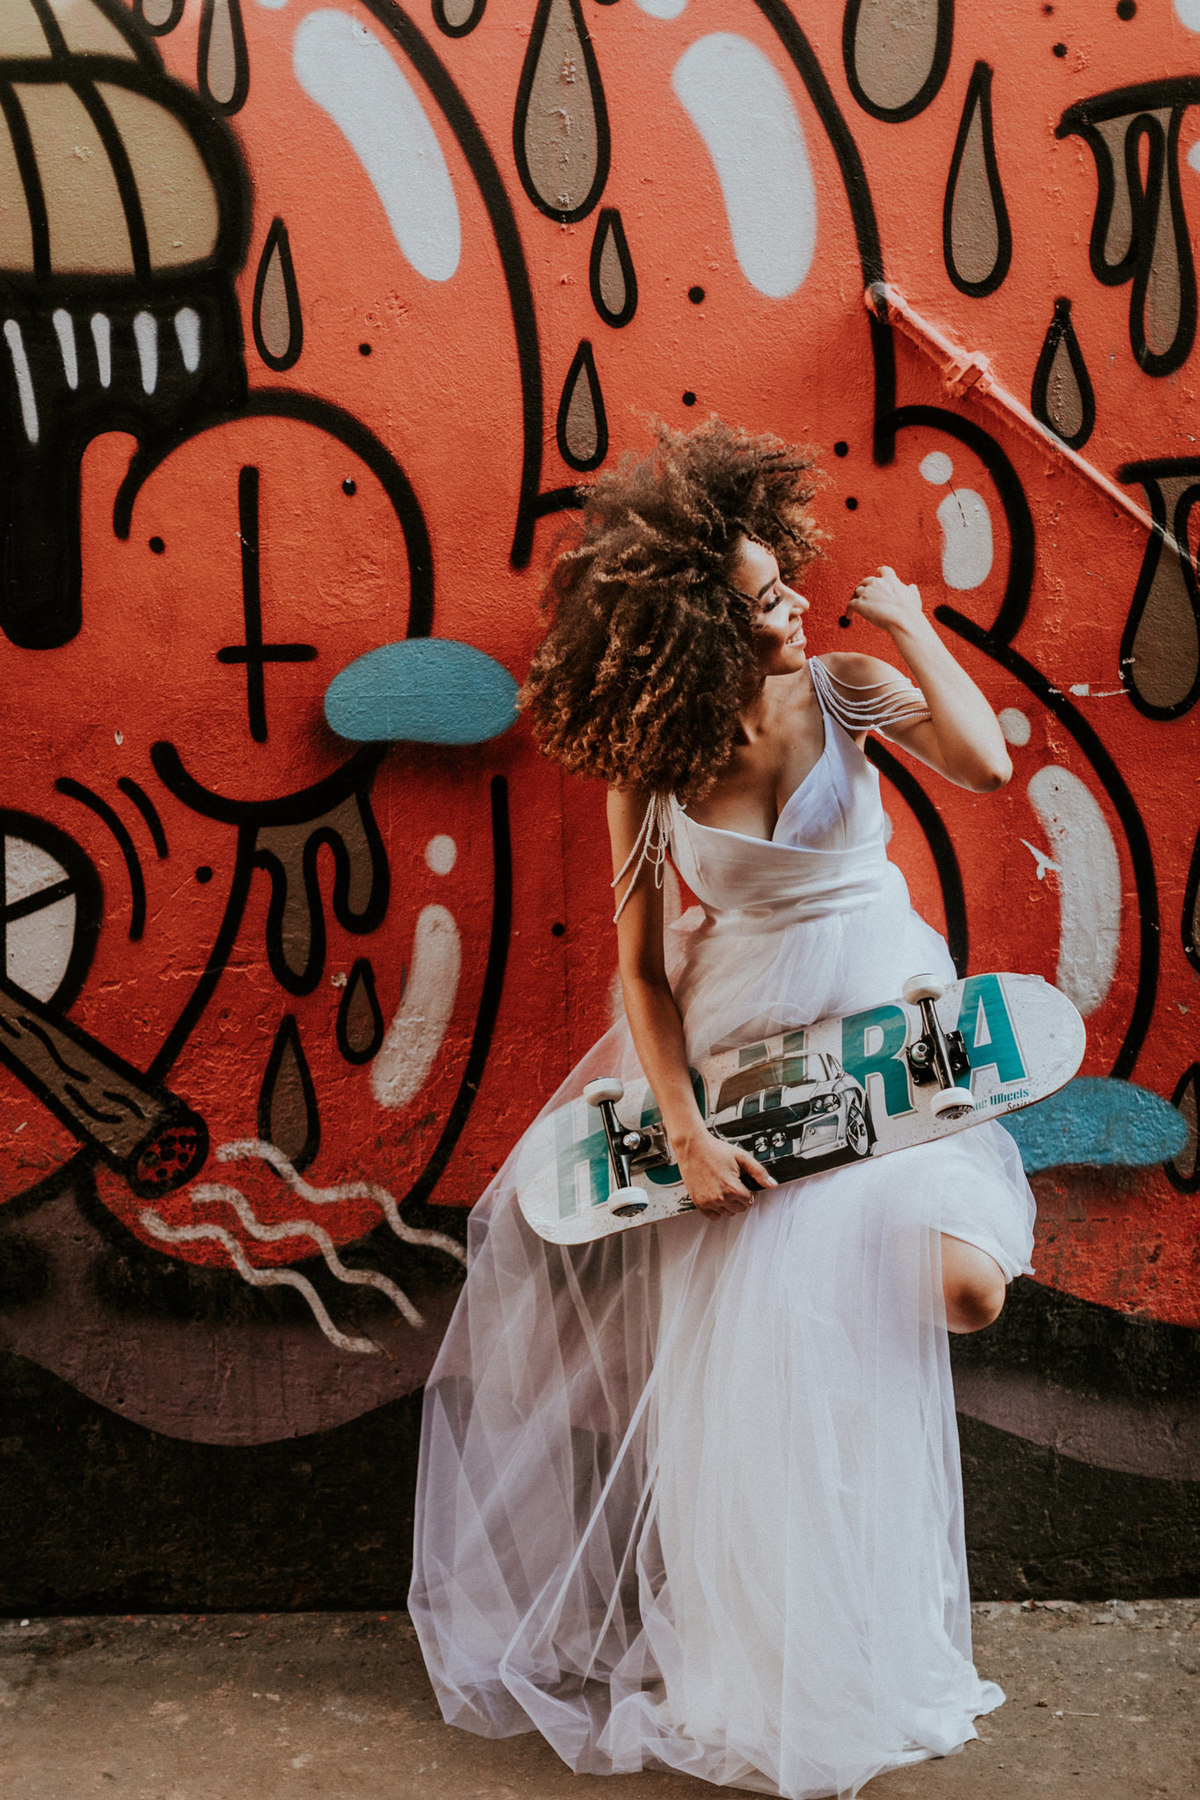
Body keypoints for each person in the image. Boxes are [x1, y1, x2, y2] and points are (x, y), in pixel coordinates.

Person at [409, 419, 1035, 1800]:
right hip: (748, 1070)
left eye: (785, 583)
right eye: (763, 597)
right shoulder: (652, 753)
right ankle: (781, 1668)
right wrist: (685, 1129)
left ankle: (868, 1629)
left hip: (884, 1045)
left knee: (961, 1293)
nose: (793, 604)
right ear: (698, 626)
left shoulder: (849, 685)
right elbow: (641, 966)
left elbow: (987, 768)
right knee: (770, 1373)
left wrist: (917, 626)